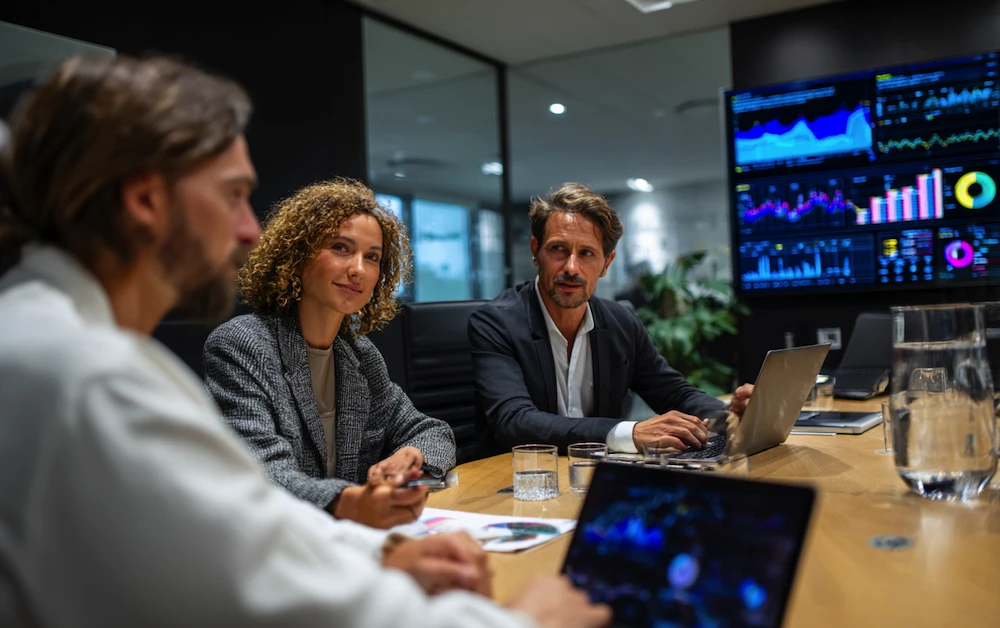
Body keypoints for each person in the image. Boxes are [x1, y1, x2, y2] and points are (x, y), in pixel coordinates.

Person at [0, 55, 610, 628]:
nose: (246, 230)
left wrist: (379, 547)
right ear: (144, 199)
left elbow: (247, 529)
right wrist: (521, 621)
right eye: (234, 195)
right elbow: (254, 564)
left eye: (372, 257)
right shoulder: (96, 377)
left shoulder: (43, 341)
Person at [203, 179, 454, 529]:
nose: (358, 269)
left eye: (372, 257)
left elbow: (433, 431)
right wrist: (353, 503)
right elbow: (260, 472)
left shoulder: (359, 354)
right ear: (298, 254)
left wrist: (411, 457)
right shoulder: (243, 344)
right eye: (340, 247)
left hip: (348, 543)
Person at [468, 183, 754, 452]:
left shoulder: (622, 322)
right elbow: (515, 421)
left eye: (587, 253)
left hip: (592, 476)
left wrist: (729, 414)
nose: (571, 267)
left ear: (606, 264)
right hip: (514, 482)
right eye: (558, 249)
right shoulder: (495, 323)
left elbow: (675, 393)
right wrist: (629, 433)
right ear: (535, 251)